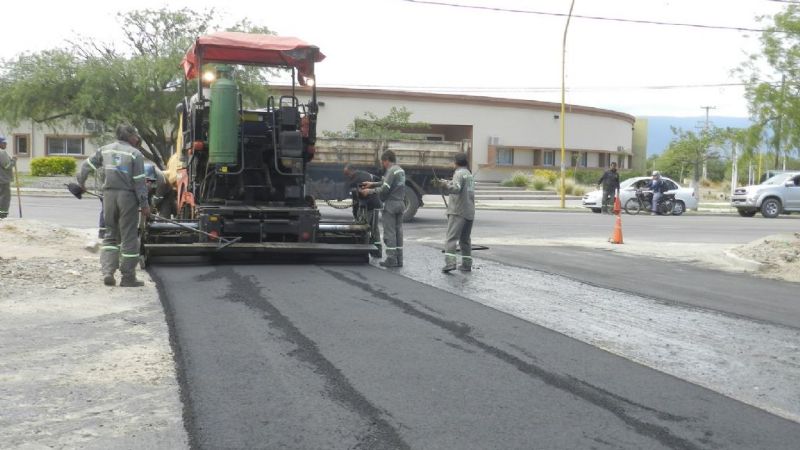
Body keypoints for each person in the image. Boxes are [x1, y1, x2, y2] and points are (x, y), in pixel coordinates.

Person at [77, 124, 149, 287]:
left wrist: (81, 183)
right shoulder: (135, 154)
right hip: (127, 197)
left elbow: (85, 166)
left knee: (110, 234)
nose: (137, 139)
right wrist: (144, 204)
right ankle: (128, 277)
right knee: (129, 236)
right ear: (130, 136)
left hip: (108, 196)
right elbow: (139, 182)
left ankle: (108, 272)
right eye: (136, 136)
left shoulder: (105, 150)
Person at [359, 150, 405, 268]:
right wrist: (372, 183)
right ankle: (399, 259)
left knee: (389, 233)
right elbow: (387, 183)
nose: (383, 165)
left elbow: (385, 189)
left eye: (383, 162)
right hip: (400, 203)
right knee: (398, 232)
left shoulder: (391, 171)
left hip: (391, 205)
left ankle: (391, 259)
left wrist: (369, 191)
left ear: (386, 160)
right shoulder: (400, 170)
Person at [433, 152, 475, 273]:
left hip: (458, 211)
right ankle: (467, 264)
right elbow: (461, 186)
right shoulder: (468, 174)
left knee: (451, 238)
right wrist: (447, 181)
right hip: (469, 211)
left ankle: (450, 263)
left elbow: (456, 188)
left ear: (456, 162)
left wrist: (444, 185)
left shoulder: (458, 173)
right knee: (465, 240)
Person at [343, 164, 382, 254]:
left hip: (370, 205)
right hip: (372, 204)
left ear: (352, 171)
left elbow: (349, 186)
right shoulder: (363, 174)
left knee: (364, 227)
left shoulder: (358, 177)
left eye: (347, 174)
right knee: (374, 228)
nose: (347, 176)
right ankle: (377, 251)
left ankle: (364, 249)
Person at [0, 136, 15, 219]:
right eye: (4, 143)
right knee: (4, 198)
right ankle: (2, 215)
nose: (6, 144)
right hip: (3, 180)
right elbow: (7, 166)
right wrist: (14, 161)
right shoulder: (2, 152)